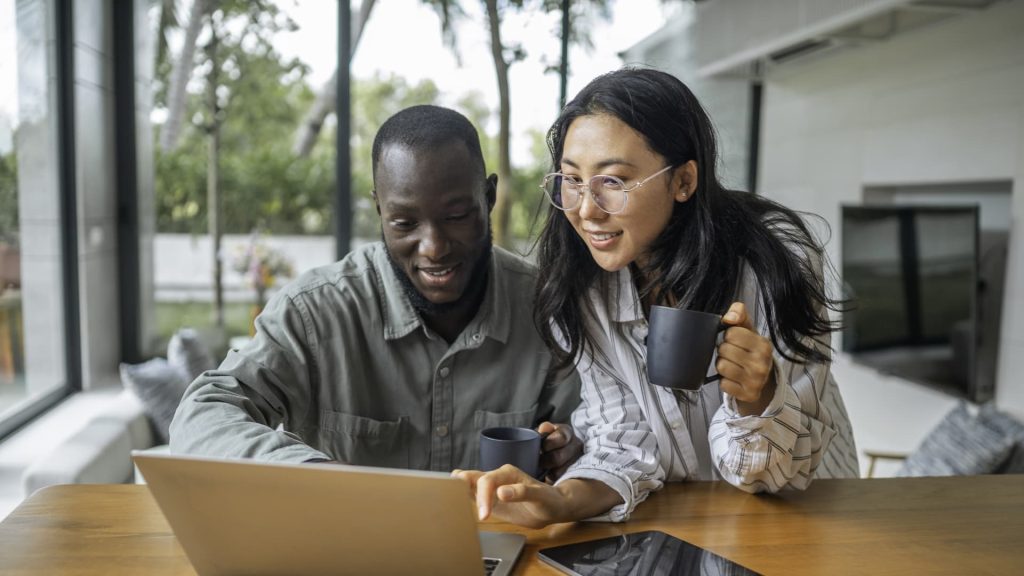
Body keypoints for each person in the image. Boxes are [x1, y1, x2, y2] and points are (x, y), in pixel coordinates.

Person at [454, 68, 859, 527]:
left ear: (683, 181)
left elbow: (776, 477)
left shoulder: (776, 264)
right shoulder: (586, 283)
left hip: (815, 521)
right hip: (689, 523)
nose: (586, 210)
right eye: (571, 180)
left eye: (613, 182)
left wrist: (758, 399)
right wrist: (560, 500)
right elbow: (625, 437)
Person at [170, 105, 582, 475]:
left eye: (456, 216)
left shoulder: (547, 307)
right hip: (348, 555)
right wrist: (313, 473)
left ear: (488, 197)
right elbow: (201, 414)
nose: (434, 247)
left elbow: (606, 433)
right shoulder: (315, 312)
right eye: (404, 223)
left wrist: (575, 447)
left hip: (502, 551)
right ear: (379, 210)